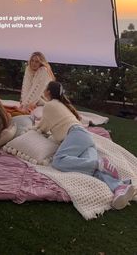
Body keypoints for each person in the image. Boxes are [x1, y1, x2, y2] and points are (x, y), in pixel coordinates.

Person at [36, 81, 135, 210]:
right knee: (91, 170)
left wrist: (31, 128)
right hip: (84, 138)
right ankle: (119, 187)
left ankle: (99, 163)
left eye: (45, 88)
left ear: (48, 92)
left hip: (76, 134)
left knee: (58, 161)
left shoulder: (50, 105)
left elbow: (43, 127)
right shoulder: (61, 104)